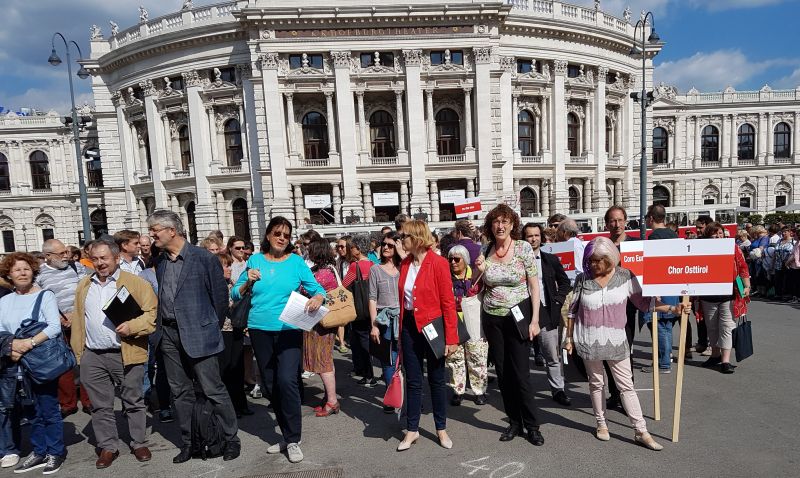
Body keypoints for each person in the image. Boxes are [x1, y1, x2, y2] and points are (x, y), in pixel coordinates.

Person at [565, 237, 681, 450]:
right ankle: (601, 423)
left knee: (626, 386)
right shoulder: (582, 279)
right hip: (588, 341)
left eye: (597, 260)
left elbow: (645, 303)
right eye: (590, 260)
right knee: (596, 383)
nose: (592, 265)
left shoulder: (625, 276)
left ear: (609, 259)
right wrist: (569, 338)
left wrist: (673, 309)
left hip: (617, 342)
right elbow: (572, 309)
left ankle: (641, 430)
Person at [148, 210, 241, 464]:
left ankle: (231, 438)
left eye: (155, 229)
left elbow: (220, 299)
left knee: (213, 389)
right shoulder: (161, 262)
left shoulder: (202, 259)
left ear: (172, 231)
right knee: (180, 393)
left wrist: (209, 326)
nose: (151, 234)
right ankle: (191, 442)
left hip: (200, 333)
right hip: (168, 334)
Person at [232, 216, 325, 463]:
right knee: (271, 385)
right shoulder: (255, 260)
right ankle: (285, 434)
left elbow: (318, 289)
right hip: (259, 329)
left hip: (289, 328)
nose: (281, 238)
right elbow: (235, 292)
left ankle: (293, 439)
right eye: (277, 233)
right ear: (268, 235)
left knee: (287, 381)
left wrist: (317, 299)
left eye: (286, 234)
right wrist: (247, 281)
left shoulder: (295, 262)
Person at [70, 238, 157, 468]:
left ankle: (138, 442)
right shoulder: (84, 285)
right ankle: (108, 446)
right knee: (100, 406)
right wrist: (80, 353)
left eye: (104, 258)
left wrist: (133, 327)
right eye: (95, 258)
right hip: (93, 354)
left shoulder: (135, 283)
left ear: (116, 258)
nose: (99, 263)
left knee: (133, 401)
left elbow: (151, 314)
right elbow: (79, 319)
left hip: (125, 353)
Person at [475, 205, 543, 446]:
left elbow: (535, 286)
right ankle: (514, 422)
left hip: (519, 317)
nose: (500, 226)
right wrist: (479, 270)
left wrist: (535, 320)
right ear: (491, 226)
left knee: (521, 374)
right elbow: (477, 287)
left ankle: (532, 425)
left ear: (513, 224)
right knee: (503, 374)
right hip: (493, 318)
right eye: (496, 222)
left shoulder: (523, 248)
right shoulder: (485, 249)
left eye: (504, 222)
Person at [0, 253, 66, 473]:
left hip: (40, 361)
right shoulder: (4, 301)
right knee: (30, 411)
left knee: (48, 408)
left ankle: (55, 452)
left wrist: (27, 343)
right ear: (9, 274)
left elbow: (54, 326)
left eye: (26, 268)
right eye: (17, 269)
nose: (22, 273)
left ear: (33, 271)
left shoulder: (45, 295)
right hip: (15, 363)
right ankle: (39, 451)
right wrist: (12, 346)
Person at [396, 220, 458, 451]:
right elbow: (403, 299)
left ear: (417, 238)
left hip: (434, 327)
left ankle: (441, 428)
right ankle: (412, 430)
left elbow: (448, 303)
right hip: (410, 326)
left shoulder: (439, 263)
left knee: (436, 379)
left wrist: (451, 338)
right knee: (413, 380)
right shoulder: (404, 264)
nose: (401, 241)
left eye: (405, 237)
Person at [35, 239, 92, 418]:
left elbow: (89, 289)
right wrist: (56, 317)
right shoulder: (39, 275)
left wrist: (76, 315)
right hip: (57, 326)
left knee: (85, 362)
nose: (66, 256)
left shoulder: (77, 268)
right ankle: (68, 403)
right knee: (62, 364)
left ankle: (89, 400)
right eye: (61, 254)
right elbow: (38, 301)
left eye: (66, 252)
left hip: (81, 322)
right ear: (48, 257)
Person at [522, 223, 572, 406]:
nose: (533, 239)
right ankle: (522, 393)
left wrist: (558, 301)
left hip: (547, 313)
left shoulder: (550, 260)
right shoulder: (517, 261)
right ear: (523, 239)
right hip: (523, 314)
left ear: (541, 238)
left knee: (552, 355)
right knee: (521, 357)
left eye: (536, 235)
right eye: (529, 236)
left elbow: (565, 283)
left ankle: (558, 389)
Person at [698, 223, 750, 374]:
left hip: (729, 294)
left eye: (720, 233)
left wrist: (746, 286)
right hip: (708, 295)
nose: (718, 236)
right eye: (714, 234)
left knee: (727, 326)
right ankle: (715, 355)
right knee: (712, 327)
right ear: (708, 236)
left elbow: (742, 266)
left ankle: (725, 361)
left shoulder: (732, 247)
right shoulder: (702, 249)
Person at [445, 244, 489, 406]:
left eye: (457, 259)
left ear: (465, 260)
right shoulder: (445, 277)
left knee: (477, 356)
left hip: (474, 322)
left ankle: (479, 391)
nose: (453, 262)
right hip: (453, 322)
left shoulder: (476, 275)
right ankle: (458, 390)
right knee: (454, 359)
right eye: (450, 259)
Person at [640, 204, 682, 374]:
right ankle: (665, 359)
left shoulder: (655, 237)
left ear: (651, 218)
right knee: (667, 324)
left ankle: (663, 363)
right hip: (673, 283)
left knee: (660, 324)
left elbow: (654, 265)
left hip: (661, 285)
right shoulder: (673, 234)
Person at [301, 238, 341, 417]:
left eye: (310, 249)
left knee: (324, 361)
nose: (308, 252)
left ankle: (332, 401)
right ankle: (329, 398)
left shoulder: (323, 273)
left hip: (322, 323)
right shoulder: (324, 269)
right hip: (319, 323)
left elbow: (305, 290)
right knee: (325, 360)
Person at [138, 245, 173, 424]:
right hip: (156, 326)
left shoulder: (175, 271)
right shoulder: (145, 275)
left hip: (176, 325)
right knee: (160, 366)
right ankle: (164, 405)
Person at [368, 232, 402, 413]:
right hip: (384, 320)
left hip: (405, 318)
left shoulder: (405, 266)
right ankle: (391, 398)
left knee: (408, 360)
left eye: (391, 244)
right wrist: (374, 325)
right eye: (384, 244)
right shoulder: (375, 269)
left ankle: (409, 398)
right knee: (389, 360)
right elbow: (372, 298)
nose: (386, 247)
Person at [217, 253, 253, 419]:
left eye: (230, 265)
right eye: (225, 266)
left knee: (238, 367)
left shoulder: (231, 283)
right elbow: (229, 304)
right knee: (227, 369)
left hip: (236, 328)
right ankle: (230, 406)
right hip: (223, 331)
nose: (229, 269)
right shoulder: (217, 286)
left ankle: (241, 404)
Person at [342, 234, 378, 387]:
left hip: (358, 309)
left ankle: (368, 375)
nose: (351, 250)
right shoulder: (372, 264)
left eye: (352, 247)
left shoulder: (354, 266)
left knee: (362, 343)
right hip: (371, 308)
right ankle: (369, 373)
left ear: (357, 249)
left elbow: (344, 285)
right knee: (367, 342)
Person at [774, 227, 795, 301]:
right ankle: (778, 294)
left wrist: (788, 262)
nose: (783, 233)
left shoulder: (793, 241)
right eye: (782, 232)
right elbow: (775, 253)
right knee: (778, 280)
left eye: (785, 232)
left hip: (788, 264)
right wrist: (773, 264)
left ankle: (787, 295)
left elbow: (795, 254)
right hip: (778, 264)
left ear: (790, 232)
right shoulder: (779, 241)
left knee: (787, 280)